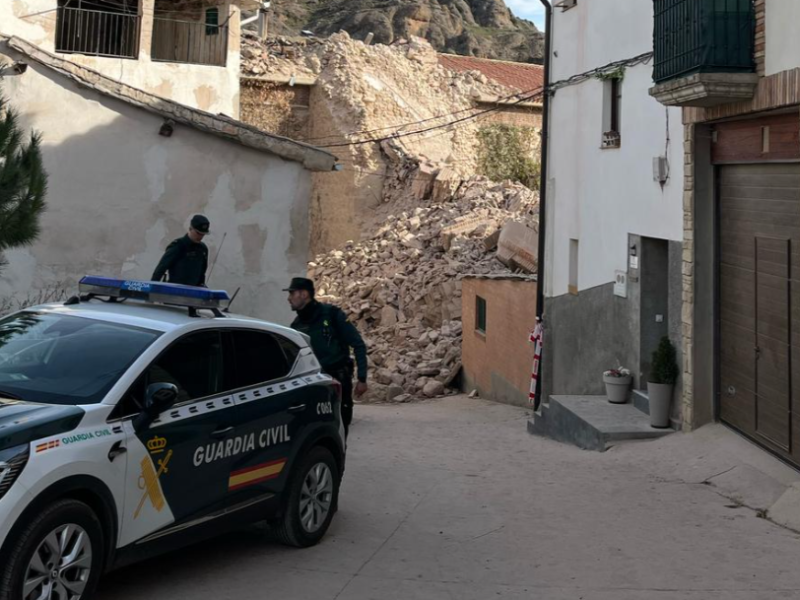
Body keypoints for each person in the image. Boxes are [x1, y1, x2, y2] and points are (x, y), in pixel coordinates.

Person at [286, 277, 367, 435]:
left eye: (292, 293)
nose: (288, 298)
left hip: (337, 382)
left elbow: (358, 344)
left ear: (304, 294)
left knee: (339, 431)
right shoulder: (296, 326)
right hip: (312, 386)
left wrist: (362, 379)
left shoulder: (332, 315)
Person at [151, 215, 210, 287]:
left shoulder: (203, 249)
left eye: (203, 234)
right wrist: (151, 288)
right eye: (198, 233)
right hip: (175, 291)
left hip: (193, 293)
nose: (200, 237)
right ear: (190, 228)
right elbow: (161, 268)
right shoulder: (178, 245)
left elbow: (202, 273)